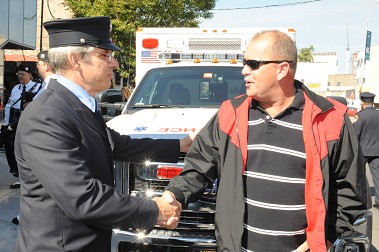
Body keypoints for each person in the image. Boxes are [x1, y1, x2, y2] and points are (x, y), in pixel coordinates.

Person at [165, 30, 368, 251]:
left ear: (282, 69)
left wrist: (324, 238)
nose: (244, 71)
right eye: (245, 63)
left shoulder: (330, 118)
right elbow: (198, 167)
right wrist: (174, 194)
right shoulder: (230, 113)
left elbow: (350, 191)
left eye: (253, 64)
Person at [14, 16, 192, 252]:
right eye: (104, 55)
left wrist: (180, 144)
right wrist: (154, 210)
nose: (115, 63)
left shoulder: (76, 104)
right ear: (75, 59)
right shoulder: (47, 115)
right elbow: (82, 198)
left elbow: (116, 144)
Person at [2, 64, 43, 189]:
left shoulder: (39, 88)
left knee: (26, 150)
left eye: (23, 74)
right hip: (13, 122)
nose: (20, 76)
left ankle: (31, 177)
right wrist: (5, 123)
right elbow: (9, 106)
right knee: (10, 148)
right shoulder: (15, 88)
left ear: (30, 75)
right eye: (18, 74)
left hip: (28, 122)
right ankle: (19, 175)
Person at [354, 92, 379, 210]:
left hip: (362, 152)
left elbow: (355, 134)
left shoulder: (360, 115)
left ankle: (361, 200)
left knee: (359, 176)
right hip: (377, 152)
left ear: (362, 103)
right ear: (372, 102)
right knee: (377, 177)